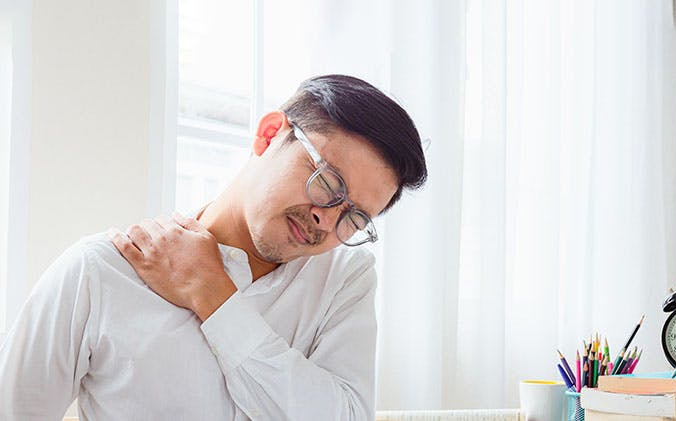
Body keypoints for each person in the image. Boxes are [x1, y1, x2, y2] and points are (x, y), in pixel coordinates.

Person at [0, 75, 427, 420]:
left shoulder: (344, 280)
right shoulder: (98, 272)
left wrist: (214, 296)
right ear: (270, 134)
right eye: (329, 183)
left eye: (354, 217)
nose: (327, 219)